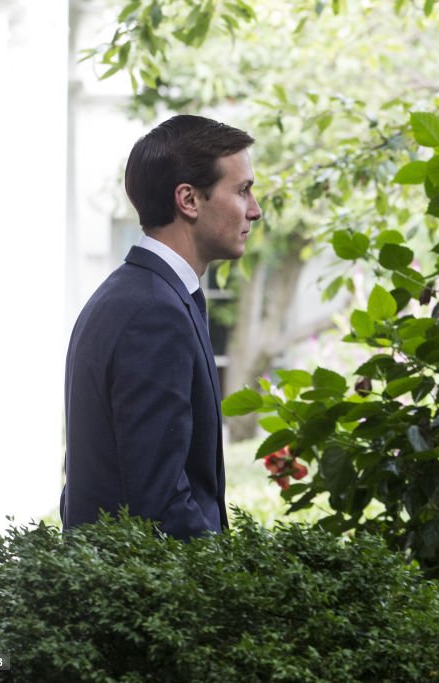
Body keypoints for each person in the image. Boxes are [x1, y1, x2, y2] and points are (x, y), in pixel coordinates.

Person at [61, 114, 262, 539]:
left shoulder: (138, 295)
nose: (255, 210)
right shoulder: (153, 313)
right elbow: (160, 506)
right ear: (188, 200)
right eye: (242, 190)